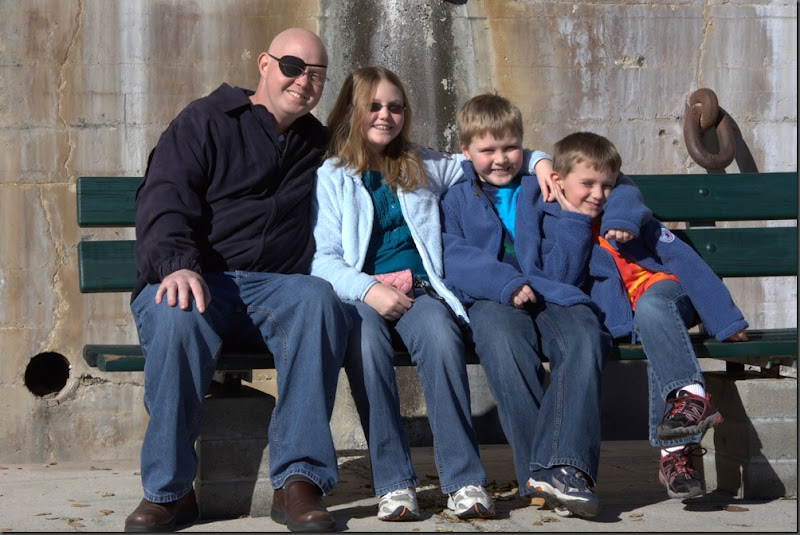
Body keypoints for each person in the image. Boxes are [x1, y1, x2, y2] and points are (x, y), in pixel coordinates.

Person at [125, 28, 350, 533]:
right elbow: (164, 197)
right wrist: (177, 263)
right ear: (264, 64)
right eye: (292, 67)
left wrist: (517, 162)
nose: (304, 81)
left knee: (316, 299)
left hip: (272, 289)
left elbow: (393, 156)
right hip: (197, 279)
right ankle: (169, 492)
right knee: (177, 313)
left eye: (317, 75)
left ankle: (298, 482)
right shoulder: (205, 120)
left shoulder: (317, 142)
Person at [310, 67, 554, 522]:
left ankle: (463, 481)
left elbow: (485, 155)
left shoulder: (419, 163)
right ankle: (394, 484)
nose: (386, 115)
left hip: (420, 291)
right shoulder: (333, 175)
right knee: (366, 348)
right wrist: (369, 289)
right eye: (374, 106)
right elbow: (322, 259)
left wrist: (539, 161)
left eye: (396, 107)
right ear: (351, 111)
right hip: (362, 297)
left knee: (442, 337)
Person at [440, 94, 651, 518]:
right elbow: (452, 254)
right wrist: (505, 282)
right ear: (465, 150)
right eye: (488, 150)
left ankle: (562, 470)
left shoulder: (543, 186)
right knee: (503, 344)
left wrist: (572, 220)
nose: (501, 159)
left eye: (510, 147)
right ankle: (545, 473)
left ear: (524, 144)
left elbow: (567, 267)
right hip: (491, 297)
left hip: (554, 291)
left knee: (585, 334)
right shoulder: (455, 198)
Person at [531, 131, 748, 499]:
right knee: (651, 324)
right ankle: (674, 456)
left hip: (668, 294)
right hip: (636, 320)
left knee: (652, 308)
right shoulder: (554, 225)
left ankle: (693, 395)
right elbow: (559, 280)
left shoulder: (631, 219)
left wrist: (725, 321)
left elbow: (686, 262)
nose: (598, 194)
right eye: (587, 184)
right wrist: (574, 224)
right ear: (558, 180)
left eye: (606, 185)